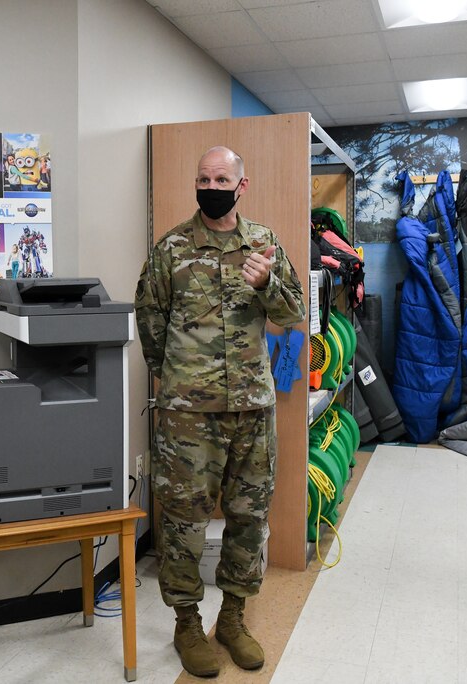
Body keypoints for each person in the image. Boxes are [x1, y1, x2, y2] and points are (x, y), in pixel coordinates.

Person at [134, 146, 305, 676]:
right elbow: (150, 322)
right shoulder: (172, 249)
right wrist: (182, 380)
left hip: (253, 407)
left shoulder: (264, 243)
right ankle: (187, 623)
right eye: (203, 177)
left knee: (249, 517)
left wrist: (265, 284)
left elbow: (295, 312)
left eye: (221, 177)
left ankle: (232, 618)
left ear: (241, 185)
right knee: (183, 520)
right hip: (189, 416)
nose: (211, 185)